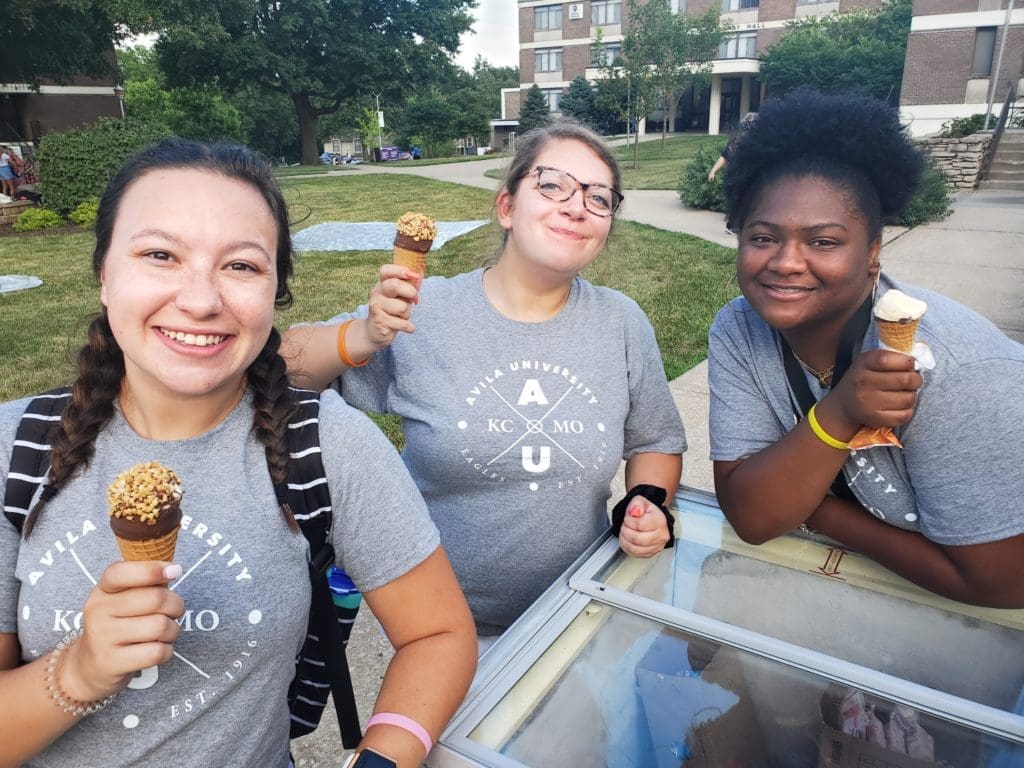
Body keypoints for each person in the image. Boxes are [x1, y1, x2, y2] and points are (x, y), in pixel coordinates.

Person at [0, 139, 476, 768]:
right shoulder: (17, 446)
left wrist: (384, 757)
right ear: (105, 273)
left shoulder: (328, 444)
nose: (200, 300)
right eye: (160, 255)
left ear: (275, 288)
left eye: (242, 266)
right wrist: (80, 672)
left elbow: (438, 634)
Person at [283, 121, 687, 645]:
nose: (576, 205)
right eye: (552, 185)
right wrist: (362, 334)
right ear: (506, 208)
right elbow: (279, 368)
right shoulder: (423, 314)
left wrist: (650, 502)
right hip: (442, 630)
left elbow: (655, 439)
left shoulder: (622, 323)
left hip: (581, 613)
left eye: (599, 197)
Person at [707, 90, 1024, 608]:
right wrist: (840, 412)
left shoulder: (955, 369)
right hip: (838, 593)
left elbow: (1000, 583)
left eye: (823, 242)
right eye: (763, 237)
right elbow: (751, 517)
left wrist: (811, 505)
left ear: (873, 253)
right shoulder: (739, 329)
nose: (786, 262)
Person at [707, 112, 756, 183]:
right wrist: (713, 170)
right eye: (747, 125)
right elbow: (725, 156)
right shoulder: (737, 139)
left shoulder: (762, 140)